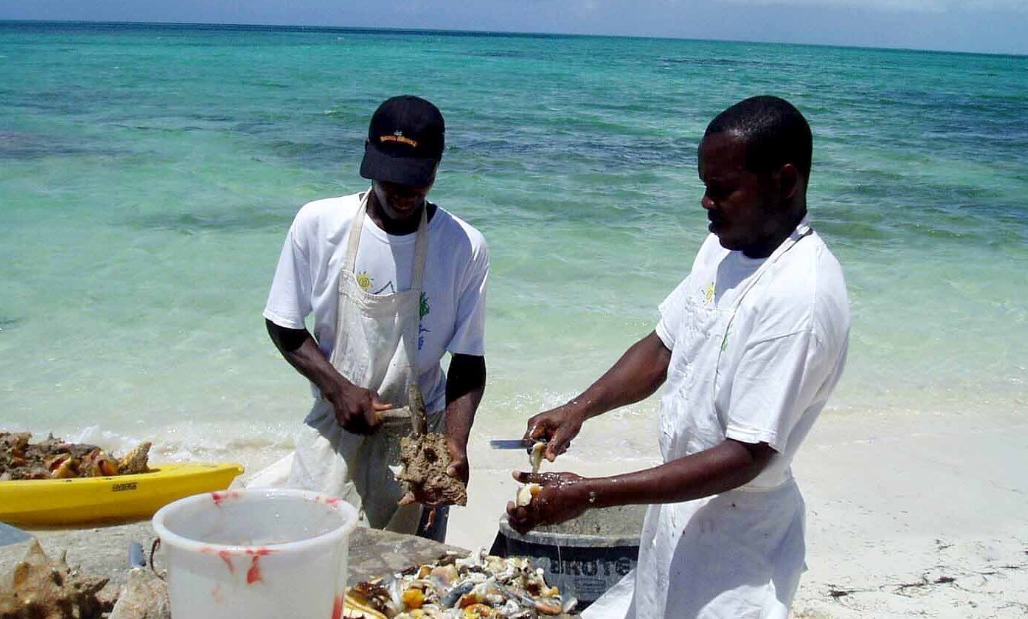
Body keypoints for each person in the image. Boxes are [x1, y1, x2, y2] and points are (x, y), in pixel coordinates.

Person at [506, 96, 850, 618]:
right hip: (676, 516)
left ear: (784, 181)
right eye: (704, 188)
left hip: (738, 545)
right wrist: (578, 408)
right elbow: (664, 345)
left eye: (722, 190)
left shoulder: (799, 297)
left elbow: (744, 456)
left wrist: (591, 495)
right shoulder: (723, 246)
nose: (707, 203)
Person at [258, 95, 488, 542]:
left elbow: (468, 362)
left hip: (420, 439)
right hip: (336, 426)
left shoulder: (464, 246)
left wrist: (453, 445)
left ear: (436, 169)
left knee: (407, 579)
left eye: (415, 181)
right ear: (366, 155)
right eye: (389, 178)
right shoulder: (318, 223)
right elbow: (283, 322)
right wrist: (337, 388)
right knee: (313, 556)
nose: (401, 193)